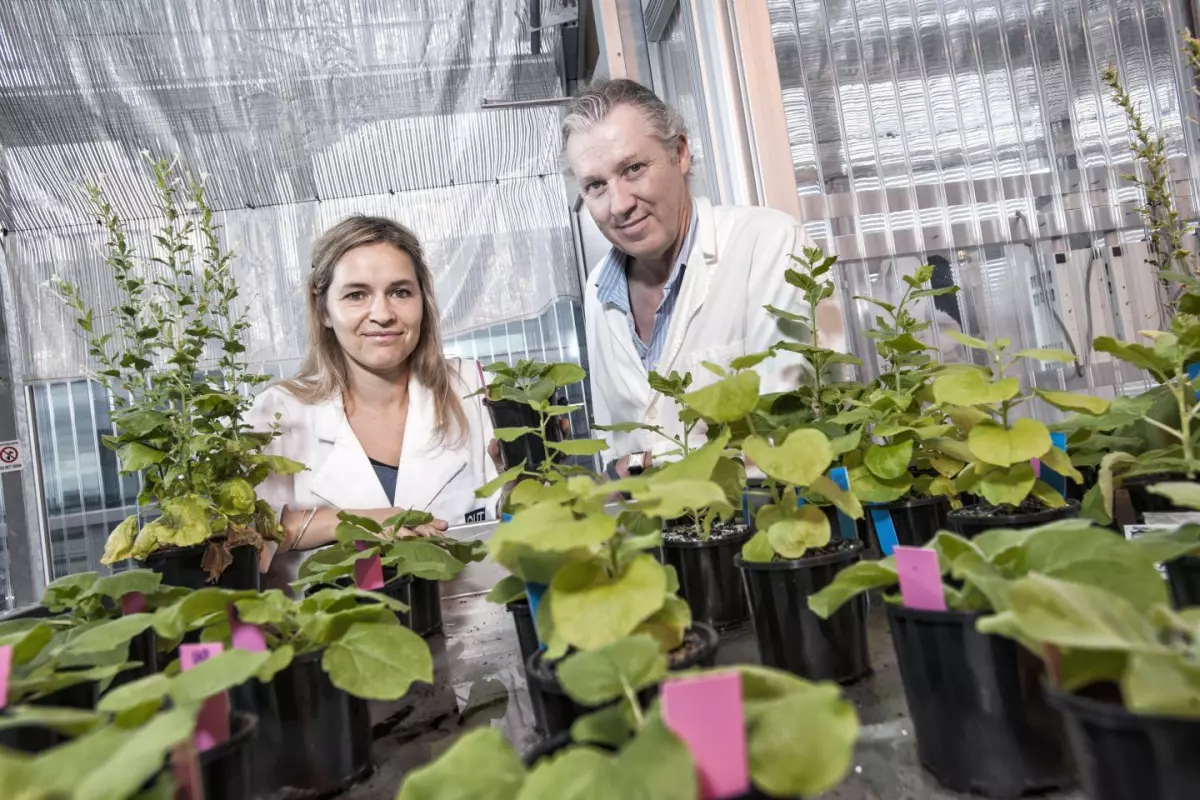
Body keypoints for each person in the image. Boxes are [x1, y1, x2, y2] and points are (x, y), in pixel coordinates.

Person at [564, 78, 840, 478]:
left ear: (679, 153)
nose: (619, 204)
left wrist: (640, 468)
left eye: (634, 169)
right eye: (595, 185)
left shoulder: (769, 244)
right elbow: (616, 448)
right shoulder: (598, 290)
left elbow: (797, 436)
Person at [247, 215, 503, 583]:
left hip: (472, 608)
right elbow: (245, 543)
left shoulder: (475, 390)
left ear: (423, 300)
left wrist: (522, 484)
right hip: (328, 617)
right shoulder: (278, 413)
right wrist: (351, 523)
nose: (383, 315)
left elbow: (516, 515)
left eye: (400, 292)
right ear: (323, 309)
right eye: (356, 295)